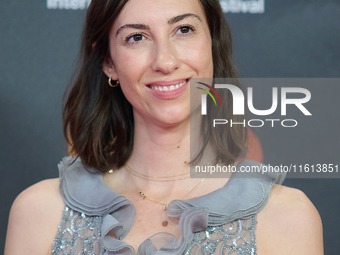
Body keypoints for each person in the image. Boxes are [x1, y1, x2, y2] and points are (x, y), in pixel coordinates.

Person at [5, 0, 323, 254]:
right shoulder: (40, 212)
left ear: (212, 42)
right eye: (137, 37)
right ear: (108, 62)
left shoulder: (286, 217)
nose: (165, 61)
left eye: (184, 29)